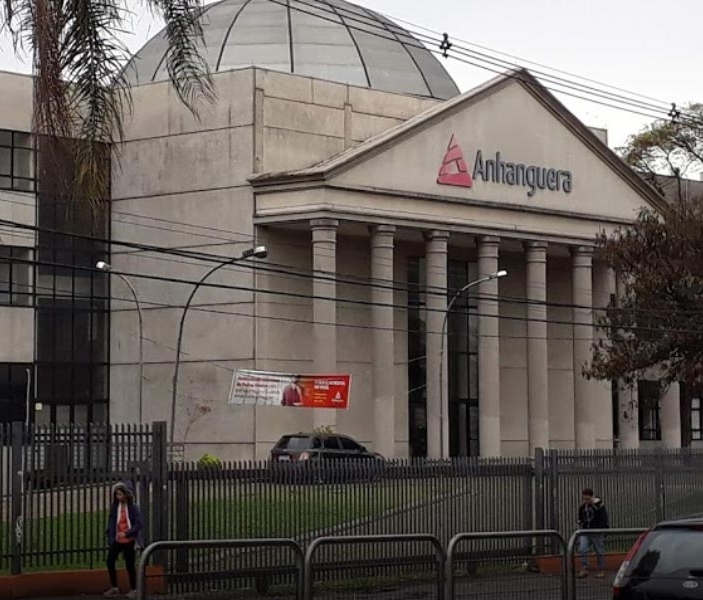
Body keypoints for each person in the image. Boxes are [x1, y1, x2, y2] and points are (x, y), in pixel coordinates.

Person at [103, 481, 143, 599]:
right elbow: (111, 521)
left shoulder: (133, 508)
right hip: (117, 540)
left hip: (129, 540)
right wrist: (111, 535)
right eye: (116, 494)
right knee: (110, 561)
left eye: (120, 494)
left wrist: (127, 533)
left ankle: (134, 589)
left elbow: (138, 524)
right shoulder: (115, 507)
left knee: (129, 565)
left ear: (126, 495)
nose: (118, 497)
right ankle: (114, 587)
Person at [577, 488, 609, 578]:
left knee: (599, 550)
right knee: (583, 549)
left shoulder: (599, 505)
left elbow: (603, 518)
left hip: (596, 531)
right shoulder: (583, 507)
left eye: (588, 499)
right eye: (584, 499)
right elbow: (580, 517)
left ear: (592, 497)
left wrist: (602, 530)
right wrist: (581, 523)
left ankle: (601, 570)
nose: (586, 501)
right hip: (585, 531)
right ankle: (584, 568)